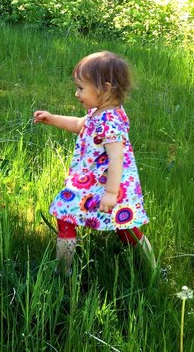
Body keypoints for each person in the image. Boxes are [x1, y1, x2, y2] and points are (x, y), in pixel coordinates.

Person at [33, 51, 156, 276]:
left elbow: (117, 159)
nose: (76, 93)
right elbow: (80, 124)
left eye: (81, 88)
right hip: (90, 182)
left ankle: (152, 269)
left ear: (106, 89)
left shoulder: (110, 122)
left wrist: (110, 193)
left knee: (125, 227)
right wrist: (52, 119)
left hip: (109, 185)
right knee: (68, 217)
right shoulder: (98, 112)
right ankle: (64, 270)